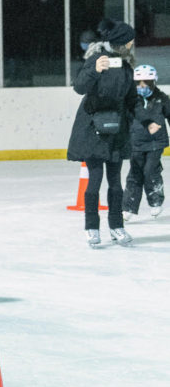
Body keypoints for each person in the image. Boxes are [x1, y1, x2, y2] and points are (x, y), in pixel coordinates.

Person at [67, 18, 137, 248]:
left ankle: (117, 226)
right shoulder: (96, 60)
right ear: (122, 42)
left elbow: (132, 100)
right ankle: (92, 228)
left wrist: (146, 121)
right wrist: (95, 71)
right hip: (93, 131)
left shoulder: (126, 67)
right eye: (130, 40)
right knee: (94, 182)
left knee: (115, 183)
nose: (132, 44)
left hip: (116, 130)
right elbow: (79, 87)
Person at [123, 65, 170, 220]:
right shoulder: (130, 100)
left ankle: (156, 201)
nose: (142, 86)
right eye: (138, 83)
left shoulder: (162, 99)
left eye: (146, 83)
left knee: (150, 170)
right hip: (135, 142)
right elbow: (124, 120)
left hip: (156, 142)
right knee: (135, 173)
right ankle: (128, 207)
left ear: (153, 82)